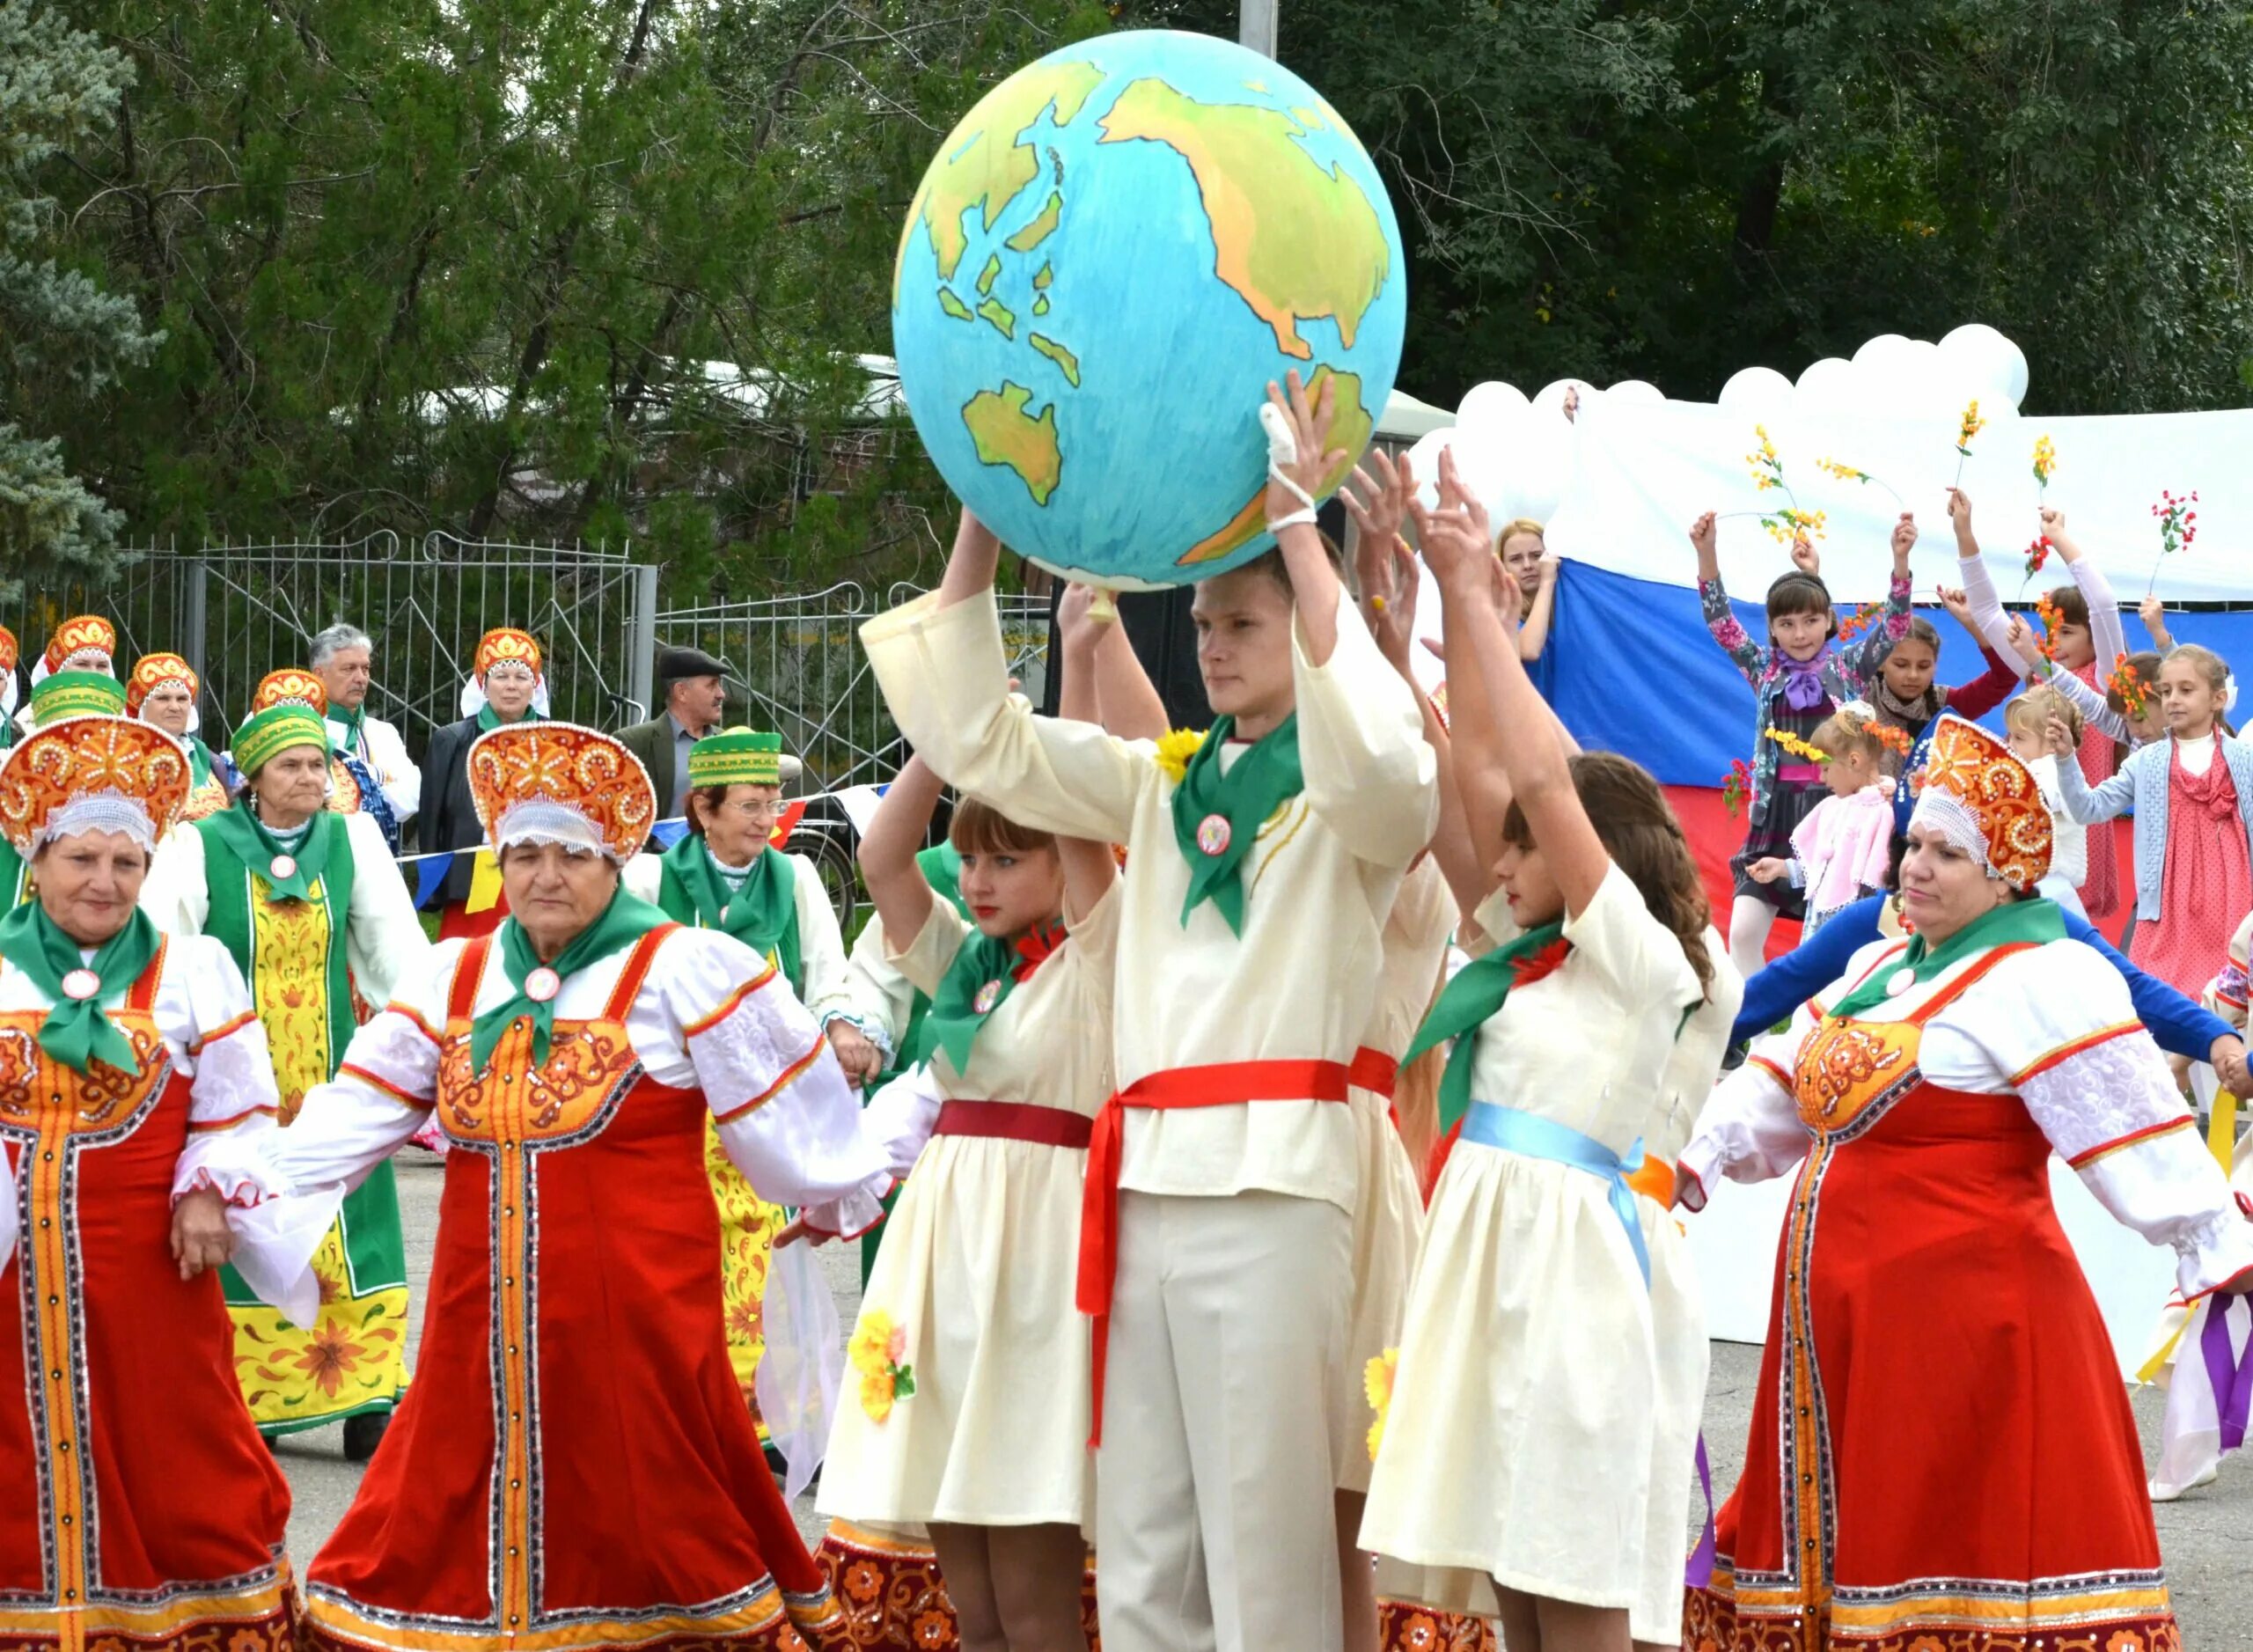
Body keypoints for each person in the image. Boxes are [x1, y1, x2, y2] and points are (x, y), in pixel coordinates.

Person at [862, 372, 1438, 1652]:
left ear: (1303, 628)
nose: (1214, 642)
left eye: (1241, 621)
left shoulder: (1346, 806)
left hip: (1277, 1186)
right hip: (1140, 1187)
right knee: (1144, 1547)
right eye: (1205, 620)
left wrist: (1303, 526)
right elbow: (982, 739)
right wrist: (981, 518)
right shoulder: (1153, 783)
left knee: (1266, 1549)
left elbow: (1398, 773)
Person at [228, 718, 893, 1652]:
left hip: (643, 1326)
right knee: (430, 1516)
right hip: (478, 1330)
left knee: (653, 1511)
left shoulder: (681, 968)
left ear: (615, 860)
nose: (545, 874)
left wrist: (837, 1190)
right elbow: (352, 1116)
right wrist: (230, 1191)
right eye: (525, 852)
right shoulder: (455, 974)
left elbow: (790, 1106)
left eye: (571, 854)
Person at [1680, 712, 2253, 1651]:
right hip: (1841, 1330)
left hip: (1969, 1329)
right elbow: (1776, 1079)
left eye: (1946, 851)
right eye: (1912, 842)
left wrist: (2221, 1244)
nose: (1914, 866)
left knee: (1954, 1539)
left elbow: (2139, 1131)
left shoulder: (2045, 974)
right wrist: (1683, 1163)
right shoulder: (1877, 963)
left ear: (2002, 875)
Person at [1361, 451, 1714, 1652]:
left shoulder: (1644, 966)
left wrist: (1474, 598)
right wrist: (1426, 616)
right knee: (1512, 1580)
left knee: (1572, 1567)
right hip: (1490, 1271)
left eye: (1522, 856)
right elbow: (1476, 771)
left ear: (1585, 859)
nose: (1495, 870)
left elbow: (1543, 787)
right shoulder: (1517, 964)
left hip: (1574, 1283)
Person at [0, 709, 297, 1652]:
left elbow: (240, 1104)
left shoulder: (191, 969)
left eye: (126, 863)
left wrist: (208, 1187)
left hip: (148, 1265)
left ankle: (193, 1618)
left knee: (180, 1438)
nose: (104, 881)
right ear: (36, 859)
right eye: (82, 858)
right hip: (11, 1267)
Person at [816, 755, 1117, 1652]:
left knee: (1032, 1583)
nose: (979, 881)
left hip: (1041, 1252)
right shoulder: (965, 960)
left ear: (1065, 859)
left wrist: (1034, 748)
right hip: (944, 1250)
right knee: (974, 1608)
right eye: (972, 860)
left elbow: (1092, 849)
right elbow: (882, 860)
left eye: (1007, 860)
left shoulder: (1103, 955)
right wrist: (943, 745)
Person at [143, 668, 430, 1461]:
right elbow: (166, 952)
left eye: (318, 765)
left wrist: (427, 1041)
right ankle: (244, 1395)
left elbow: (396, 952)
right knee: (240, 1215)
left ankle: (368, 1392)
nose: (309, 779)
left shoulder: (355, 840)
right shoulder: (199, 845)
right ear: (253, 779)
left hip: (334, 1079)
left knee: (354, 1221)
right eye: (290, 766)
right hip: (236, 1085)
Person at [620, 726, 883, 1431]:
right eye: (750, 805)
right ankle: (681, 1407)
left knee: (769, 1253)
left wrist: (842, 1027)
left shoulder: (796, 878)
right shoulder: (649, 881)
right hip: (677, 1110)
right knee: (679, 1248)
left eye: (773, 803)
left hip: (768, 1108)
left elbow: (829, 980)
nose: (769, 819)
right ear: (703, 810)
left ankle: (766, 1419)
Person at [1692, 509, 1913, 978]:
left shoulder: (1848, 668)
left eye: (1810, 622)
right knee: (1744, 933)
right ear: (1771, 628)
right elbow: (1720, 623)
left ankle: (1826, 1024)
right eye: (1787, 624)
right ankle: (1758, 1032)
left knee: (1837, 937)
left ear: (1828, 622)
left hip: (1838, 810)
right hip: (1775, 815)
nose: (1799, 634)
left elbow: (1894, 627)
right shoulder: (1764, 671)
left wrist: (1900, 562)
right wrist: (1706, 552)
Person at [1953, 491, 2129, 919]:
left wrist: (2059, 538)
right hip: (2025, 834)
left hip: (2077, 831)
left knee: (2075, 935)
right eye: (2050, 633)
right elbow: (1991, 613)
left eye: (2067, 632)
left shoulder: (2107, 683)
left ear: (2091, 636)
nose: (2056, 644)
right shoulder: (2037, 673)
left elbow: (2104, 607)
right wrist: (1964, 533)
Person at [2049, 642, 2253, 995]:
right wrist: (2067, 760)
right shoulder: (2146, 761)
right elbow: (2088, 808)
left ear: (2218, 699)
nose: (2173, 699)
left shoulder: (2243, 759)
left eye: (2186, 690)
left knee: (2232, 989)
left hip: (2233, 895)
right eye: (2166, 691)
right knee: (2165, 992)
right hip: (2169, 903)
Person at [1743, 703, 1900, 934]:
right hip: (1819, 923)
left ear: (1854, 761)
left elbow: (1875, 883)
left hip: (1851, 929)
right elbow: (1825, 869)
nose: (1822, 779)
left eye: (1826, 769)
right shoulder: (1831, 807)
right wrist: (1783, 868)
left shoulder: (1884, 811)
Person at [422, 628, 545, 915]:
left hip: (538, 878)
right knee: (472, 956)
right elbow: (432, 819)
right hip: (471, 882)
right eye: (501, 677)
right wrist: (433, 886)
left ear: (535, 685)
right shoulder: (451, 740)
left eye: (521, 677)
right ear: (483, 685)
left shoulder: (556, 740)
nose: (511, 686)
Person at [312, 621, 421, 829]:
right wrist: (376, 780)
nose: (361, 679)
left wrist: (344, 798)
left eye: (365, 669)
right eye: (349, 669)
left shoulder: (382, 733)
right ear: (319, 674)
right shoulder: (298, 726)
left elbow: (411, 795)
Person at [616, 645, 731, 819]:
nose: (721, 694)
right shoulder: (634, 743)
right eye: (712, 685)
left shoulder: (727, 741)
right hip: (662, 847)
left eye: (719, 685)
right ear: (682, 692)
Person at [2002, 686, 2089, 914]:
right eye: (2010, 735)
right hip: (2034, 885)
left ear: (2052, 743)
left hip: (2051, 888)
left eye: (2020, 738)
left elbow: (2036, 800)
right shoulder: (2033, 770)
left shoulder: (2052, 772)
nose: (2010, 744)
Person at [128, 651, 231, 821]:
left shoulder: (211, 761)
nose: (175, 707)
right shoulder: (124, 757)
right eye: (163, 698)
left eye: (182, 699)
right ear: (142, 707)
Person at [18, 615, 118, 735]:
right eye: (82, 664)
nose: (94, 673)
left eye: (102, 666)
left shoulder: (120, 720)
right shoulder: (29, 721)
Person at [1498, 518, 1559, 664]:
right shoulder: (1501, 615)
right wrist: (1546, 582)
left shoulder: (1566, 607)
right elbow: (1528, 650)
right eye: (1516, 559)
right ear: (1502, 567)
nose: (1527, 565)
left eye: (1536, 556)